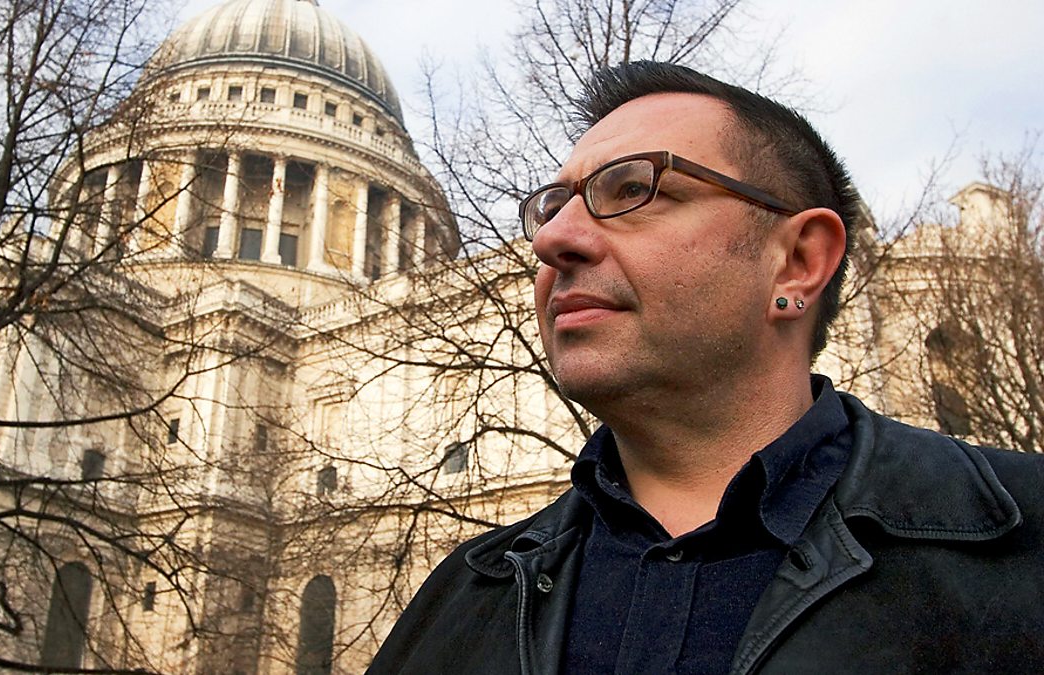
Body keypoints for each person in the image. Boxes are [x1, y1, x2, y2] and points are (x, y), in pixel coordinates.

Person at [367, 61, 1044, 674]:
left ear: (797, 262)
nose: (551, 239)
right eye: (553, 206)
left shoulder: (1022, 542)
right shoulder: (456, 598)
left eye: (632, 188)